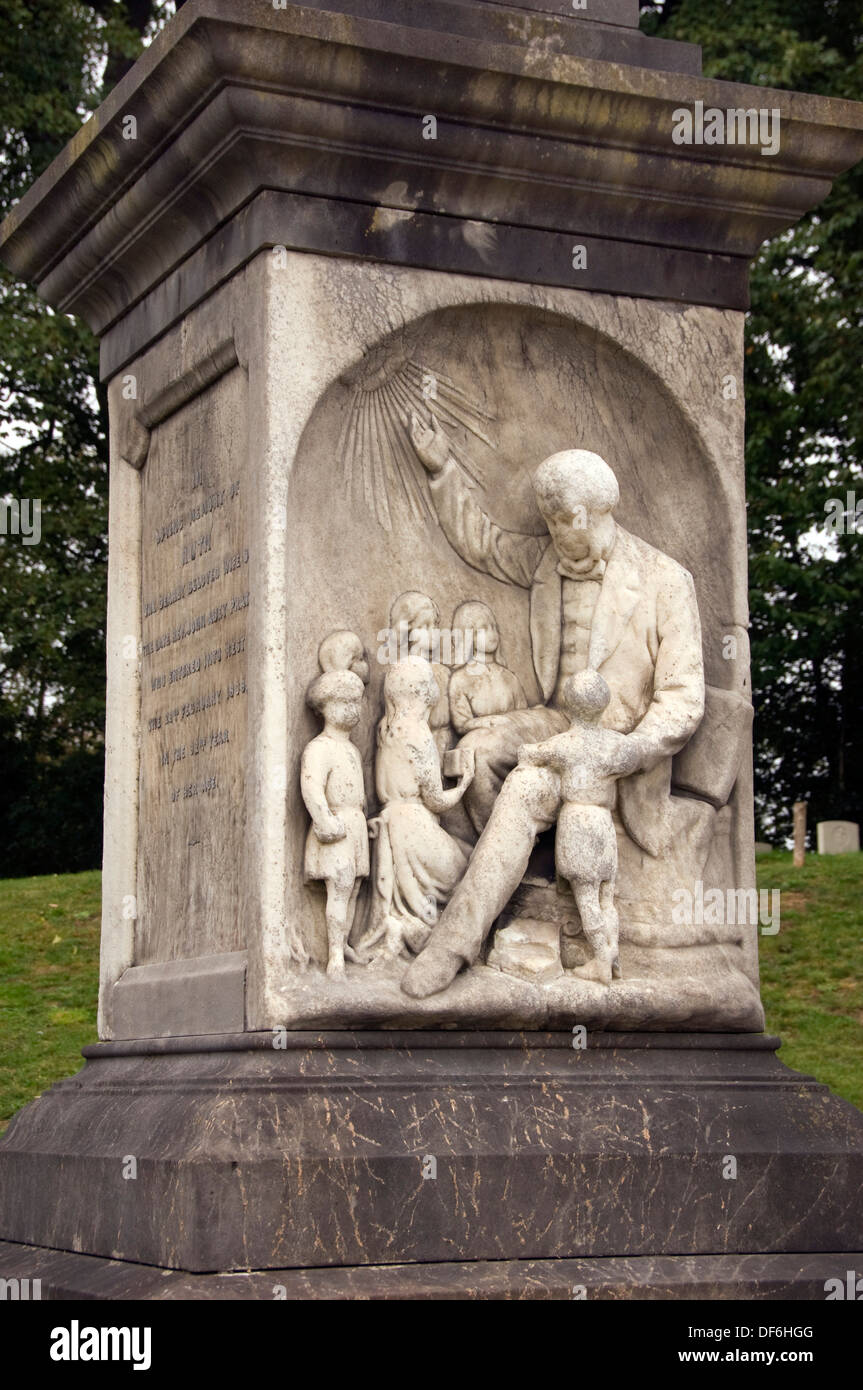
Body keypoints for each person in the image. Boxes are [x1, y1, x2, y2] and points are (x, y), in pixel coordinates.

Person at [401, 421, 705, 999]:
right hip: (553, 718)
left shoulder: (665, 580)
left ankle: (456, 942)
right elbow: (483, 542)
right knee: (477, 748)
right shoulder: (546, 559)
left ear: (597, 511)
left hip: (618, 744)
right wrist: (441, 465)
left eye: (566, 519)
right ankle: (521, 888)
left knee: (525, 787)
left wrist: (631, 749)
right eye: (550, 520)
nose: (558, 532)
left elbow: (684, 697)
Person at [518, 669, 641, 985]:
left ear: (567, 706)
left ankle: (600, 960)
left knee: (586, 899)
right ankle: (613, 958)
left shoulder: (564, 744)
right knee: (605, 897)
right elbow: (633, 757)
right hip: (603, 824)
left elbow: (529, 754)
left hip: (579, 825)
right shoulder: (616, 744)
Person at [359, 657, 474, 962]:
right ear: (424, 692)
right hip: (414, 824)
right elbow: (435, 800)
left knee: (460, 853)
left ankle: (403, 923)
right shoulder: (418, 733)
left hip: (390, 819)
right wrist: (463, 785)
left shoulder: (385, 728)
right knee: (465, 872)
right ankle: (425, 931)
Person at [300, 669, 369, 979]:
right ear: (325, 707)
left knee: (353, 888)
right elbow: (312, 787)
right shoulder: (319, 748)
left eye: (356, 701)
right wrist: (324, 820)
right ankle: (334, 957)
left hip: (354, 825)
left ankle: (343, 943)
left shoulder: (352, 749)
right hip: (336, 826)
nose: (351, 708)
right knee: (339, 889)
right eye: (343, 701)